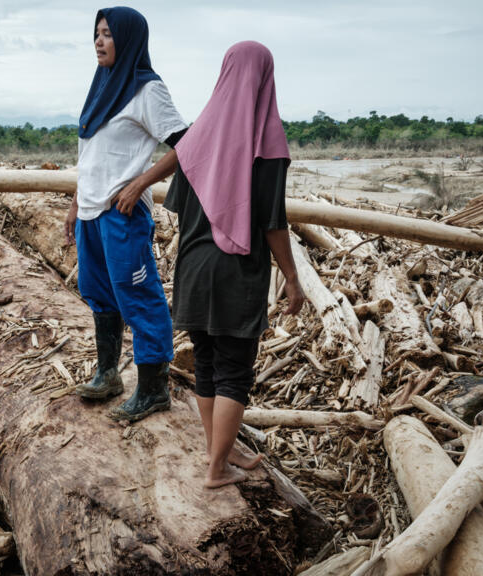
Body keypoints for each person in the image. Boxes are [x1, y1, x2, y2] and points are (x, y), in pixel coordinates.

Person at [164, 41, 304, 488]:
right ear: (265, 78)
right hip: (235, 273)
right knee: (235, 372)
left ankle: (216, 453)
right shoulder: (267, 141)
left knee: (206, 364)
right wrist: (293, 277)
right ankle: (216, 468)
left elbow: (179, 207)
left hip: (192, 268)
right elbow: (271, 222)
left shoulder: (196, 137)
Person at [65, 7, 187, 421]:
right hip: (91, 213)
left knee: (139, 295)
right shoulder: (101, 87)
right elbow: (93, 157)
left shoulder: (147, 89)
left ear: (129, 39)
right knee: (99, 293)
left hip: (123, 213)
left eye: (108, 34)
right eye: (96, 33)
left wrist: (140, 184)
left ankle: (154, 390)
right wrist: (75, 204)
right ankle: (108, 375)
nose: (98, 41)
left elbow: (187, 145)